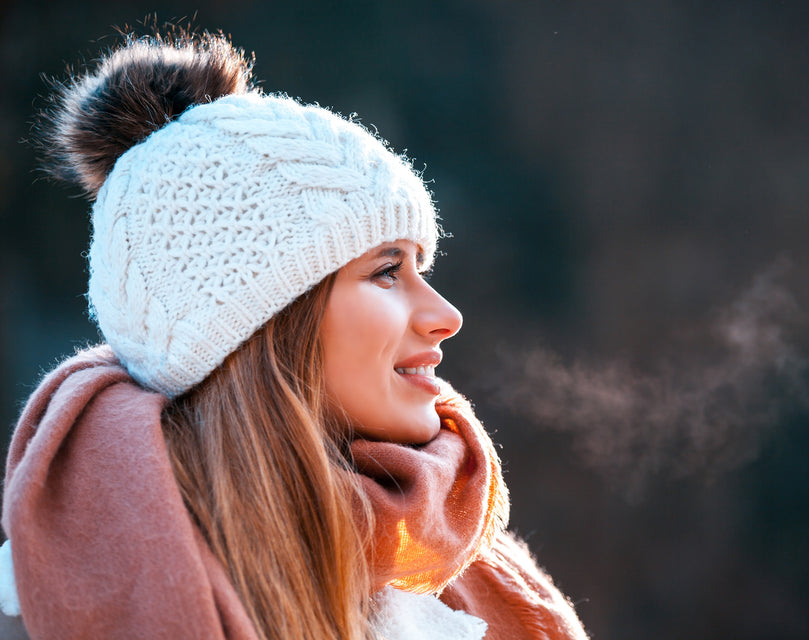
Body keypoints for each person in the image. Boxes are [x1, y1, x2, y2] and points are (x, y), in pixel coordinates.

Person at [0, 28, 590, 640]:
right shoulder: (41, 607)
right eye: (387, 270)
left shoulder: (462, 570)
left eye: (422, 267)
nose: (446, 314)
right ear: (264, 324)